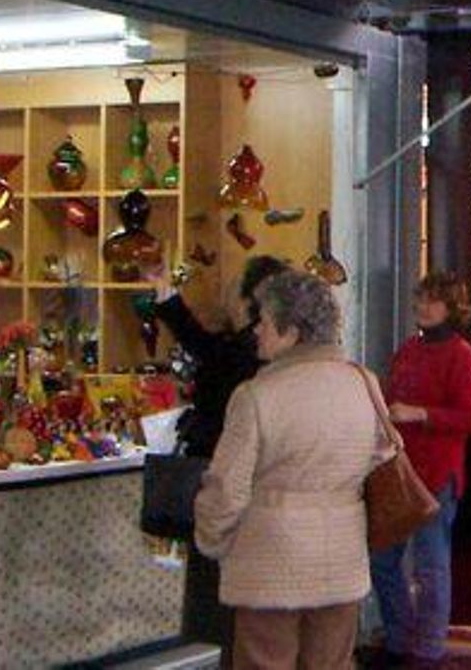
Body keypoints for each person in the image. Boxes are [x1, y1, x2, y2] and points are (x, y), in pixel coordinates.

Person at [193, 270, 387, 670]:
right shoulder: (362, 383)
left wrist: (211, 540)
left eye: (264, 321)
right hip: (342, 556)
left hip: (270, 560)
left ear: (292, 331)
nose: (256, 330)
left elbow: (227, 489)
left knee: (265, 661)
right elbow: (380, 453)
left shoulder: (256, 397)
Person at [150, 255, 290, 653]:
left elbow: (205, 348)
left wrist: (167, 294)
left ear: (249, 298)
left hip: (220, 475)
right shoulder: (265, 352)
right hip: (255, 490)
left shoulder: (245, 349)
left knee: (213, 589)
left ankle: (213, 653)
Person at [370, 272, 471, 664]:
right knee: (383, 559)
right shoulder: (407, 350)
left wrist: (420, 414)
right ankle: (399, 636)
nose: (423, 307)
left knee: (431, 565)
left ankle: (428, 647)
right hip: (398, 470)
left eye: (433, 301)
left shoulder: (462, 356)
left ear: (451, 307)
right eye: (420, 299)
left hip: (437, 473)